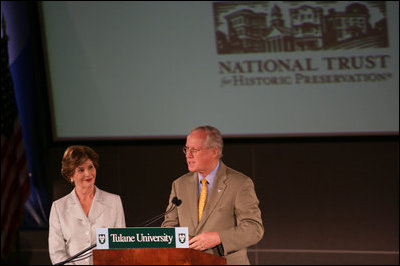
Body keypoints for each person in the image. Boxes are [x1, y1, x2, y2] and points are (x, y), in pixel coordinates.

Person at [161, 125, 264, 265]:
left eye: (194, 150)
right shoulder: (179, 184)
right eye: (186, 149)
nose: (188, 155)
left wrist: (219, 238)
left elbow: (254, 229)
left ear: (214, 151)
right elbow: (168, 227)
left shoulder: (239, 183)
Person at [48, 145, 126, 265]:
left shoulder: (114, 201)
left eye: (91, 167)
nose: (88, 173)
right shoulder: (59, 207)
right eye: (81, 170)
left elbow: (121, 246)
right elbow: (56, 252)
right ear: (70, 175)